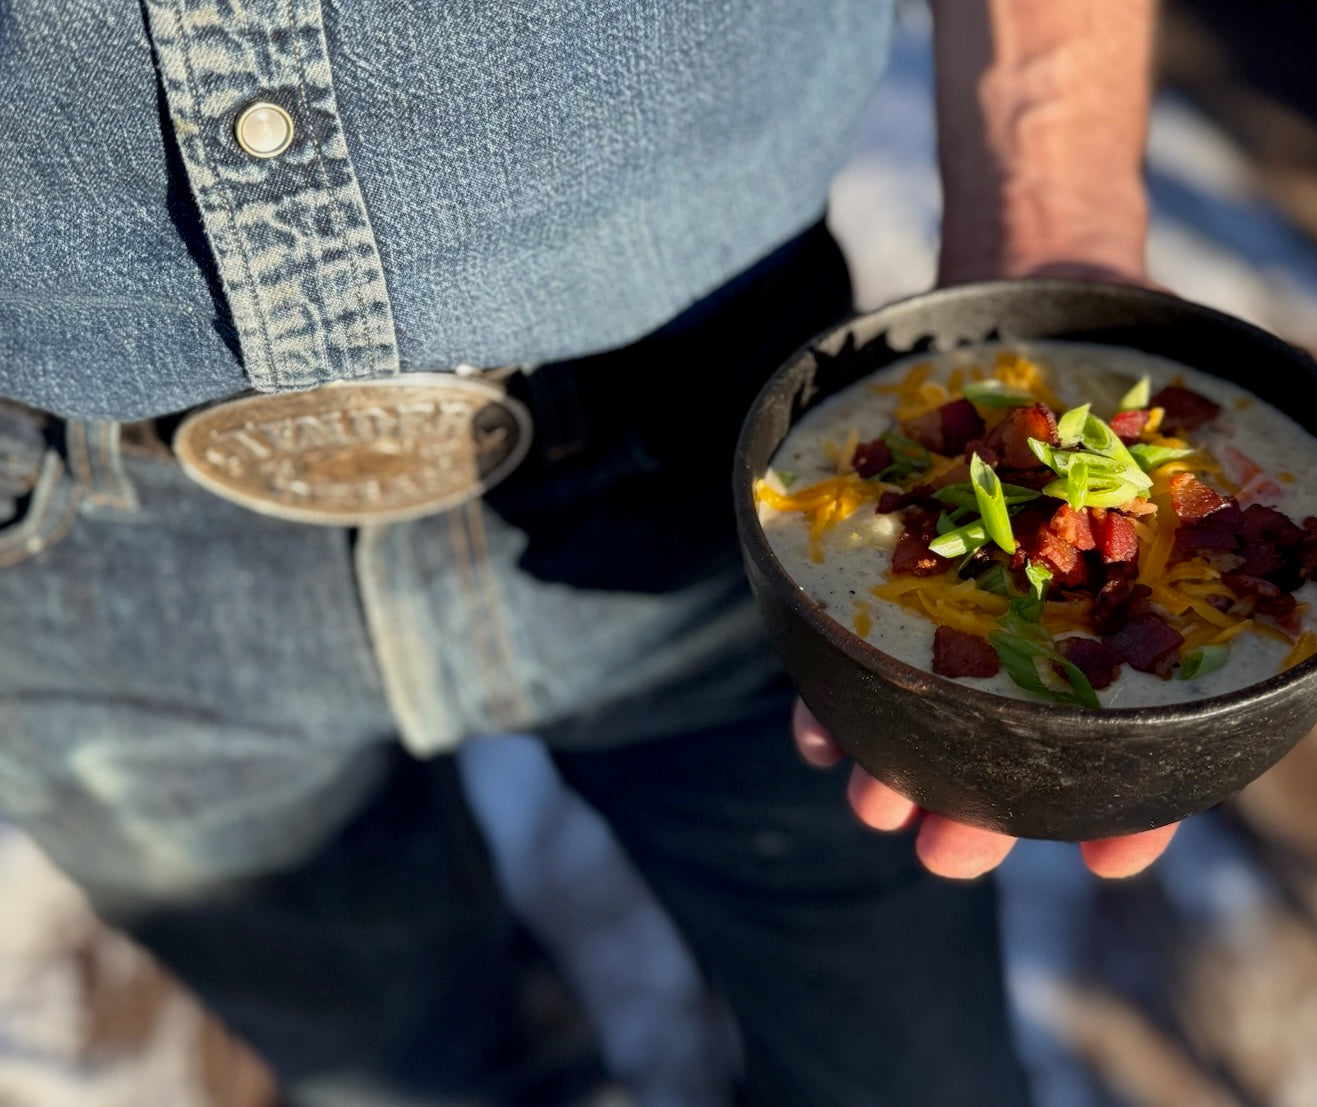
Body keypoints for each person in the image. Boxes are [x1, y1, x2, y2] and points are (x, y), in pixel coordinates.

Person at [0, 1, 1172, 1104]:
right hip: (65, 532)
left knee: (908, 1074)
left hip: (732, 439)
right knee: (408, 1075)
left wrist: (1051, 215)